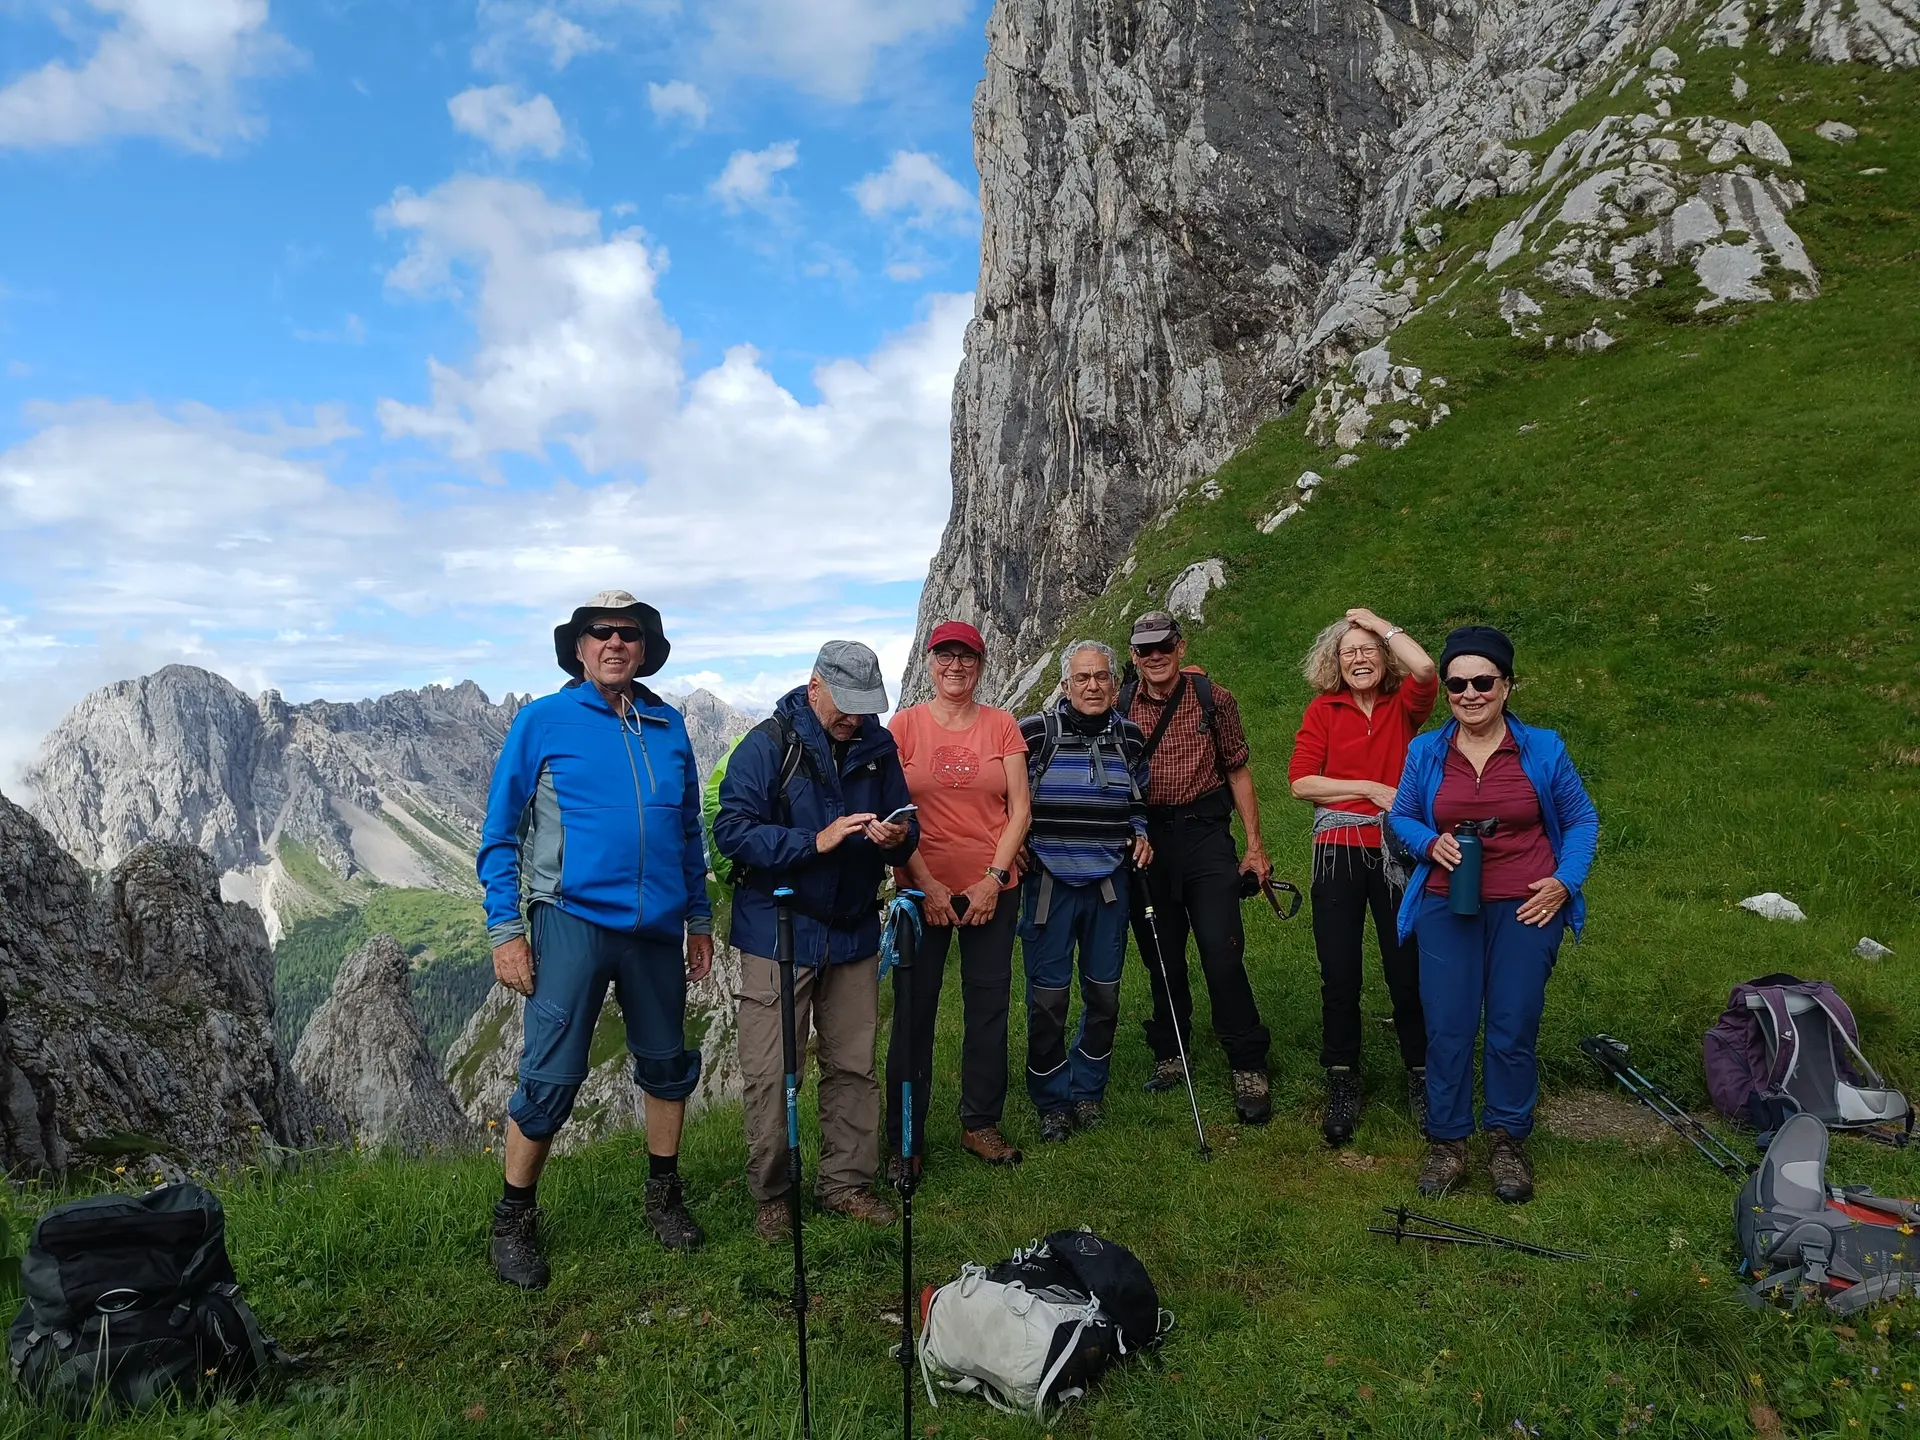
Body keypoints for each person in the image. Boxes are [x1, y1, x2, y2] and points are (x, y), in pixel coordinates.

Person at [477, 590, 713, 1288]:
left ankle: (664, 1195)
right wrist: (505, 931)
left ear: (644, 649)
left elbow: (688, 832)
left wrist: (699, 921)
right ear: (578, 648)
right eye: (600, 632)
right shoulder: (543, 721)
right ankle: (514, 1217)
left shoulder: (667, 726)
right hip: (571, 921)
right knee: (551, 1073)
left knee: (667, 1064)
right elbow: (500, 834)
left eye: (629, 634)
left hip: (657, 930)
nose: (615, 642)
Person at [712, 641, 918, 1242]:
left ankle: (846, 1184)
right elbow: (732, 833)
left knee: (853, 1063)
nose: (855, 717)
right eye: (846, 704)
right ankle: (773, 1194)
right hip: (779, 932)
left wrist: (896, 839)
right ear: (814, 688)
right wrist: (815, 842)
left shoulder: (878, 747)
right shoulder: (767, 746)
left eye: (865, 705)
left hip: (853, 930)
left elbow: (908, 826)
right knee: (773, 1070)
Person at [1389, 626, 1599, 1203]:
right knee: (1449, 1027)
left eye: (1483, 681)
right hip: (1446, 905)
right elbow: (1401, 816)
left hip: (1528, 906)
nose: (1469, 694)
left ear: (1507, 686)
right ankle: (1448, 1142)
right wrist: (1430, 844)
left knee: (1512, 1027)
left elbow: (1581, 821)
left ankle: (1508, 1140)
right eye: (1457, 684)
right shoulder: (1427, 750)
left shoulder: (1545, 749)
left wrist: (1563, 882)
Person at [885, 620, 1032, 1172]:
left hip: (991, 891)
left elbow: (1019, 809)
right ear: (929, 662)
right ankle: (906, 1139)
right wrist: (928, 885)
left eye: (966, 658)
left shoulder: (1002, 726)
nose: (956, 667)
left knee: (988, 1007)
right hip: (921, 894)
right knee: (914, 1014)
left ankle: (981, 1124)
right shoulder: (903, 727)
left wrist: (993, 880)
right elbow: (895, 812)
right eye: (945, 657)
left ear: (981, 665)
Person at [1288, 608, 1439, 1145]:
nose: (1358, 659)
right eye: (1348, 651)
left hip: (1399, 851)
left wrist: (1379, 623)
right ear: (1334, 661)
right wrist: (1372, 791)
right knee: (1339, 970)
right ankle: (1342, 1079)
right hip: (1338, 852)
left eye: (1368, 651)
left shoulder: (1404, 707)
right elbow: (1301, 782)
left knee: (1407, 966)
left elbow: (1425, 671)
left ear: (1384, 657)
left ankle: (1423, 1076)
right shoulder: (1323, 710)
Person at [1120, 610, 1277, 1125]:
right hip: (1148, 843)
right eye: (1145, 650)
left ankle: (1247, 1061)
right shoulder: (1120, 707)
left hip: (1207, 836)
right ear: (1134, 657)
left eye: (1164, 645)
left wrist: (1254, 847)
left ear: (1180, 647)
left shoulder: (1214, 699)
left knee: (1222, 949)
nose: (1155, 656)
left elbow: (1236, 769)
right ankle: (1170, 1052)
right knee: (1161, 955)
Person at [1017, 641, 1152, 1144]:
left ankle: (1088, 1090)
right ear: (1066, 684)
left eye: (1101, 678)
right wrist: (1014, 846)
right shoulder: (1035, 733)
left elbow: (1138, 798)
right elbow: (1006, 796)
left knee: (1104, 994)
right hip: (1049, 883)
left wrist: (1141, 834)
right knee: (1048, 998)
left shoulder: (1131, 737)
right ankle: (1052, 1099)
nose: (1092, 686)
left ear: (1115, 685)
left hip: (1108, 884)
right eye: (1082, 678)